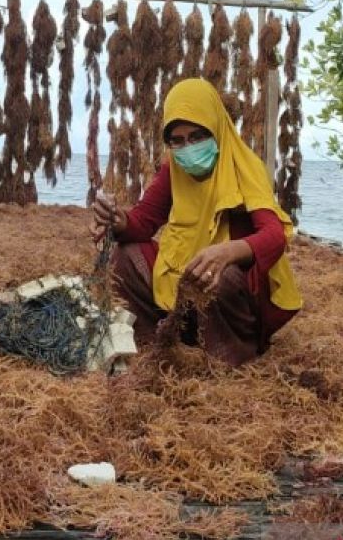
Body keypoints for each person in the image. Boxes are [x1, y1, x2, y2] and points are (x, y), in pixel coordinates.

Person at [91, 78, 302, 365]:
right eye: (176, 141)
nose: (187, 148)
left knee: (222, 275)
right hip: (185, 284)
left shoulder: (244, 166)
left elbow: (275, 235)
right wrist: (117, 220)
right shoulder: (174, 169)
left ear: (215, 128)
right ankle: (156, 340)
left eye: (197, 137)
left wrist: (227, 251)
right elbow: (143, 221)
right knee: (125, 255)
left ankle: (228, 354)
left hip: (232, 298)